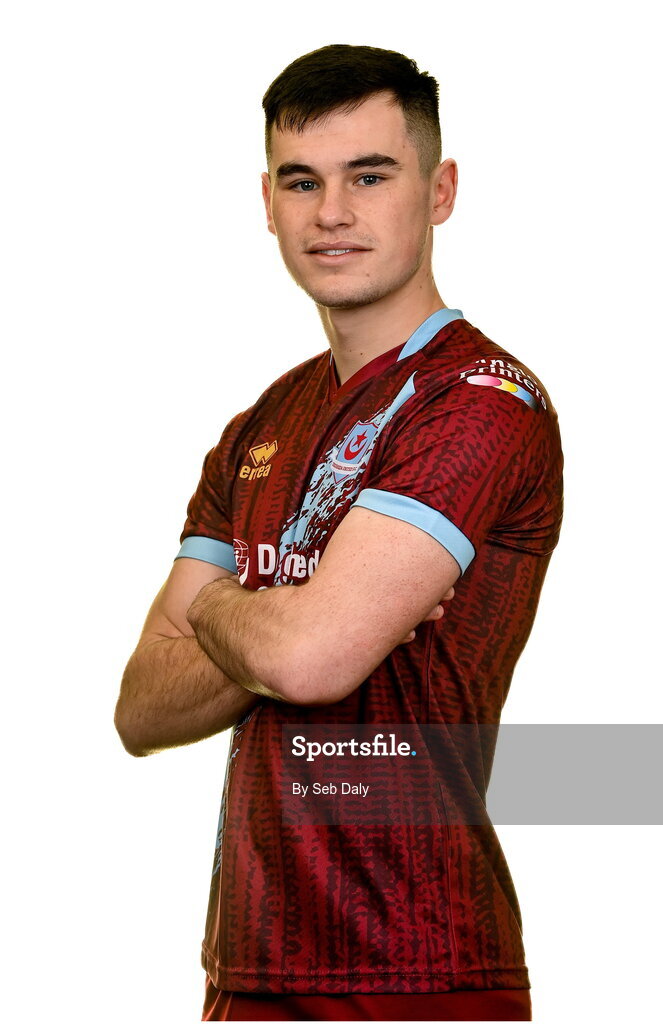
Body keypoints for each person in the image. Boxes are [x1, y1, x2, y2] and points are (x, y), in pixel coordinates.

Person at [115, 43, 563, 1022]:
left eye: (369, 176)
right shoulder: (259, 427)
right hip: (251, 965)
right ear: (267, 201)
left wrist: (227, 611)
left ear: (439, 191)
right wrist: (293, 617)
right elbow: (141, 709)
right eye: (301, 181)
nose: (330, 212)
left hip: (419, 965)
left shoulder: (479, 400)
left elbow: (312, 660)